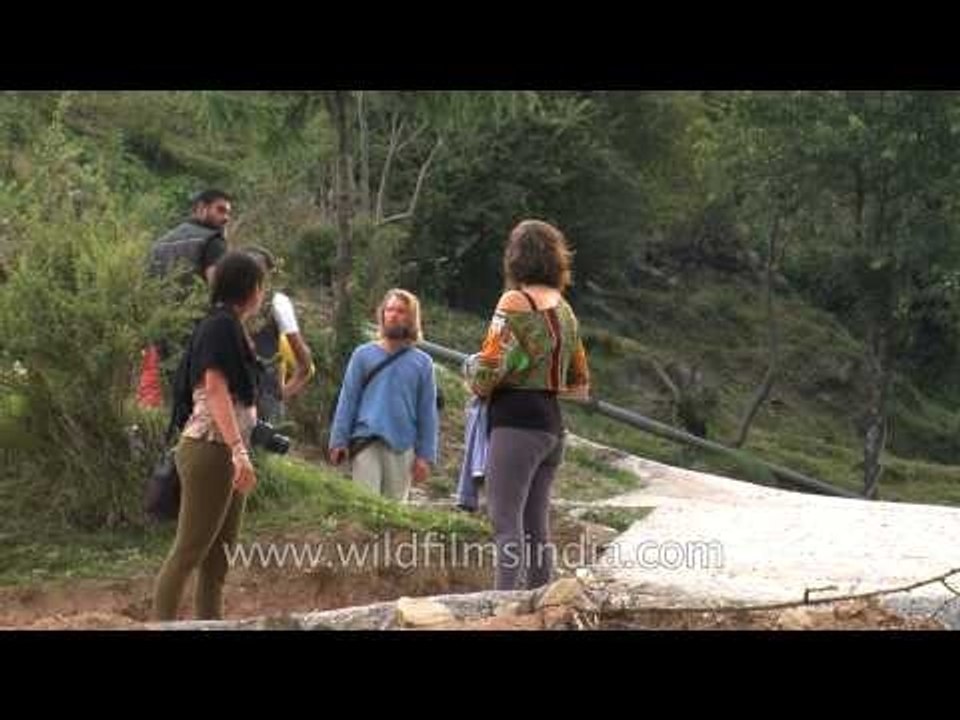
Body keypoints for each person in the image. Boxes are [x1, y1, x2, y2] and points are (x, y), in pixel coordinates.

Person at [464, 219, 591, 591]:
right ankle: (544, 606)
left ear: (515, 257)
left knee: (505, 521)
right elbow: (580, 384)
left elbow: (487, 370)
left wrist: (472, 375)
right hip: (552, 426)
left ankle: (505, 606)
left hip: (515, 424)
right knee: (537, 526)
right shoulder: (565, 310)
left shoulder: (515, 301)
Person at [152, 250, 264, 621]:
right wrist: (238, 451)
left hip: (228, 450)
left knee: (219, 560)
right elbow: (215, 388)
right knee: (190, 550)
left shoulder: (232, 327)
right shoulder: (219, 326)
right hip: (212, 448)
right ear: (252, 288)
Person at [328, 289, 438, 502]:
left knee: (393, 512)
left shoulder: (423, 363)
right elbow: (348, 400)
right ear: (382, 314)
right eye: (389, 310)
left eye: (401, 311)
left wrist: (425, 456)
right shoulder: (363, 355)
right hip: (366, 440)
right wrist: (338, 440)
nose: (394, 315)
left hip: (402, 445)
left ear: (411, 317)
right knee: (364, 505)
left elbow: (427, 412)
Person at [138, 189, 233, 408]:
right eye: (220, 210)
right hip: (198, 332)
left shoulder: (159, 244)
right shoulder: (212, 241)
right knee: (202, 400)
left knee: (171, 399)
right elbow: (219, 289)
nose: (225, 217)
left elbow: (146, 289)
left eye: (228, 212)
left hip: (163, 330)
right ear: (201, 208)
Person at [245, 246, 315, 425]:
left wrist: (279, 395)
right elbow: (305, 364)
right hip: (239, 398)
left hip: (260, 400)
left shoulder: (277, 303)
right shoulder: (228, 302)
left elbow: (305, 363)